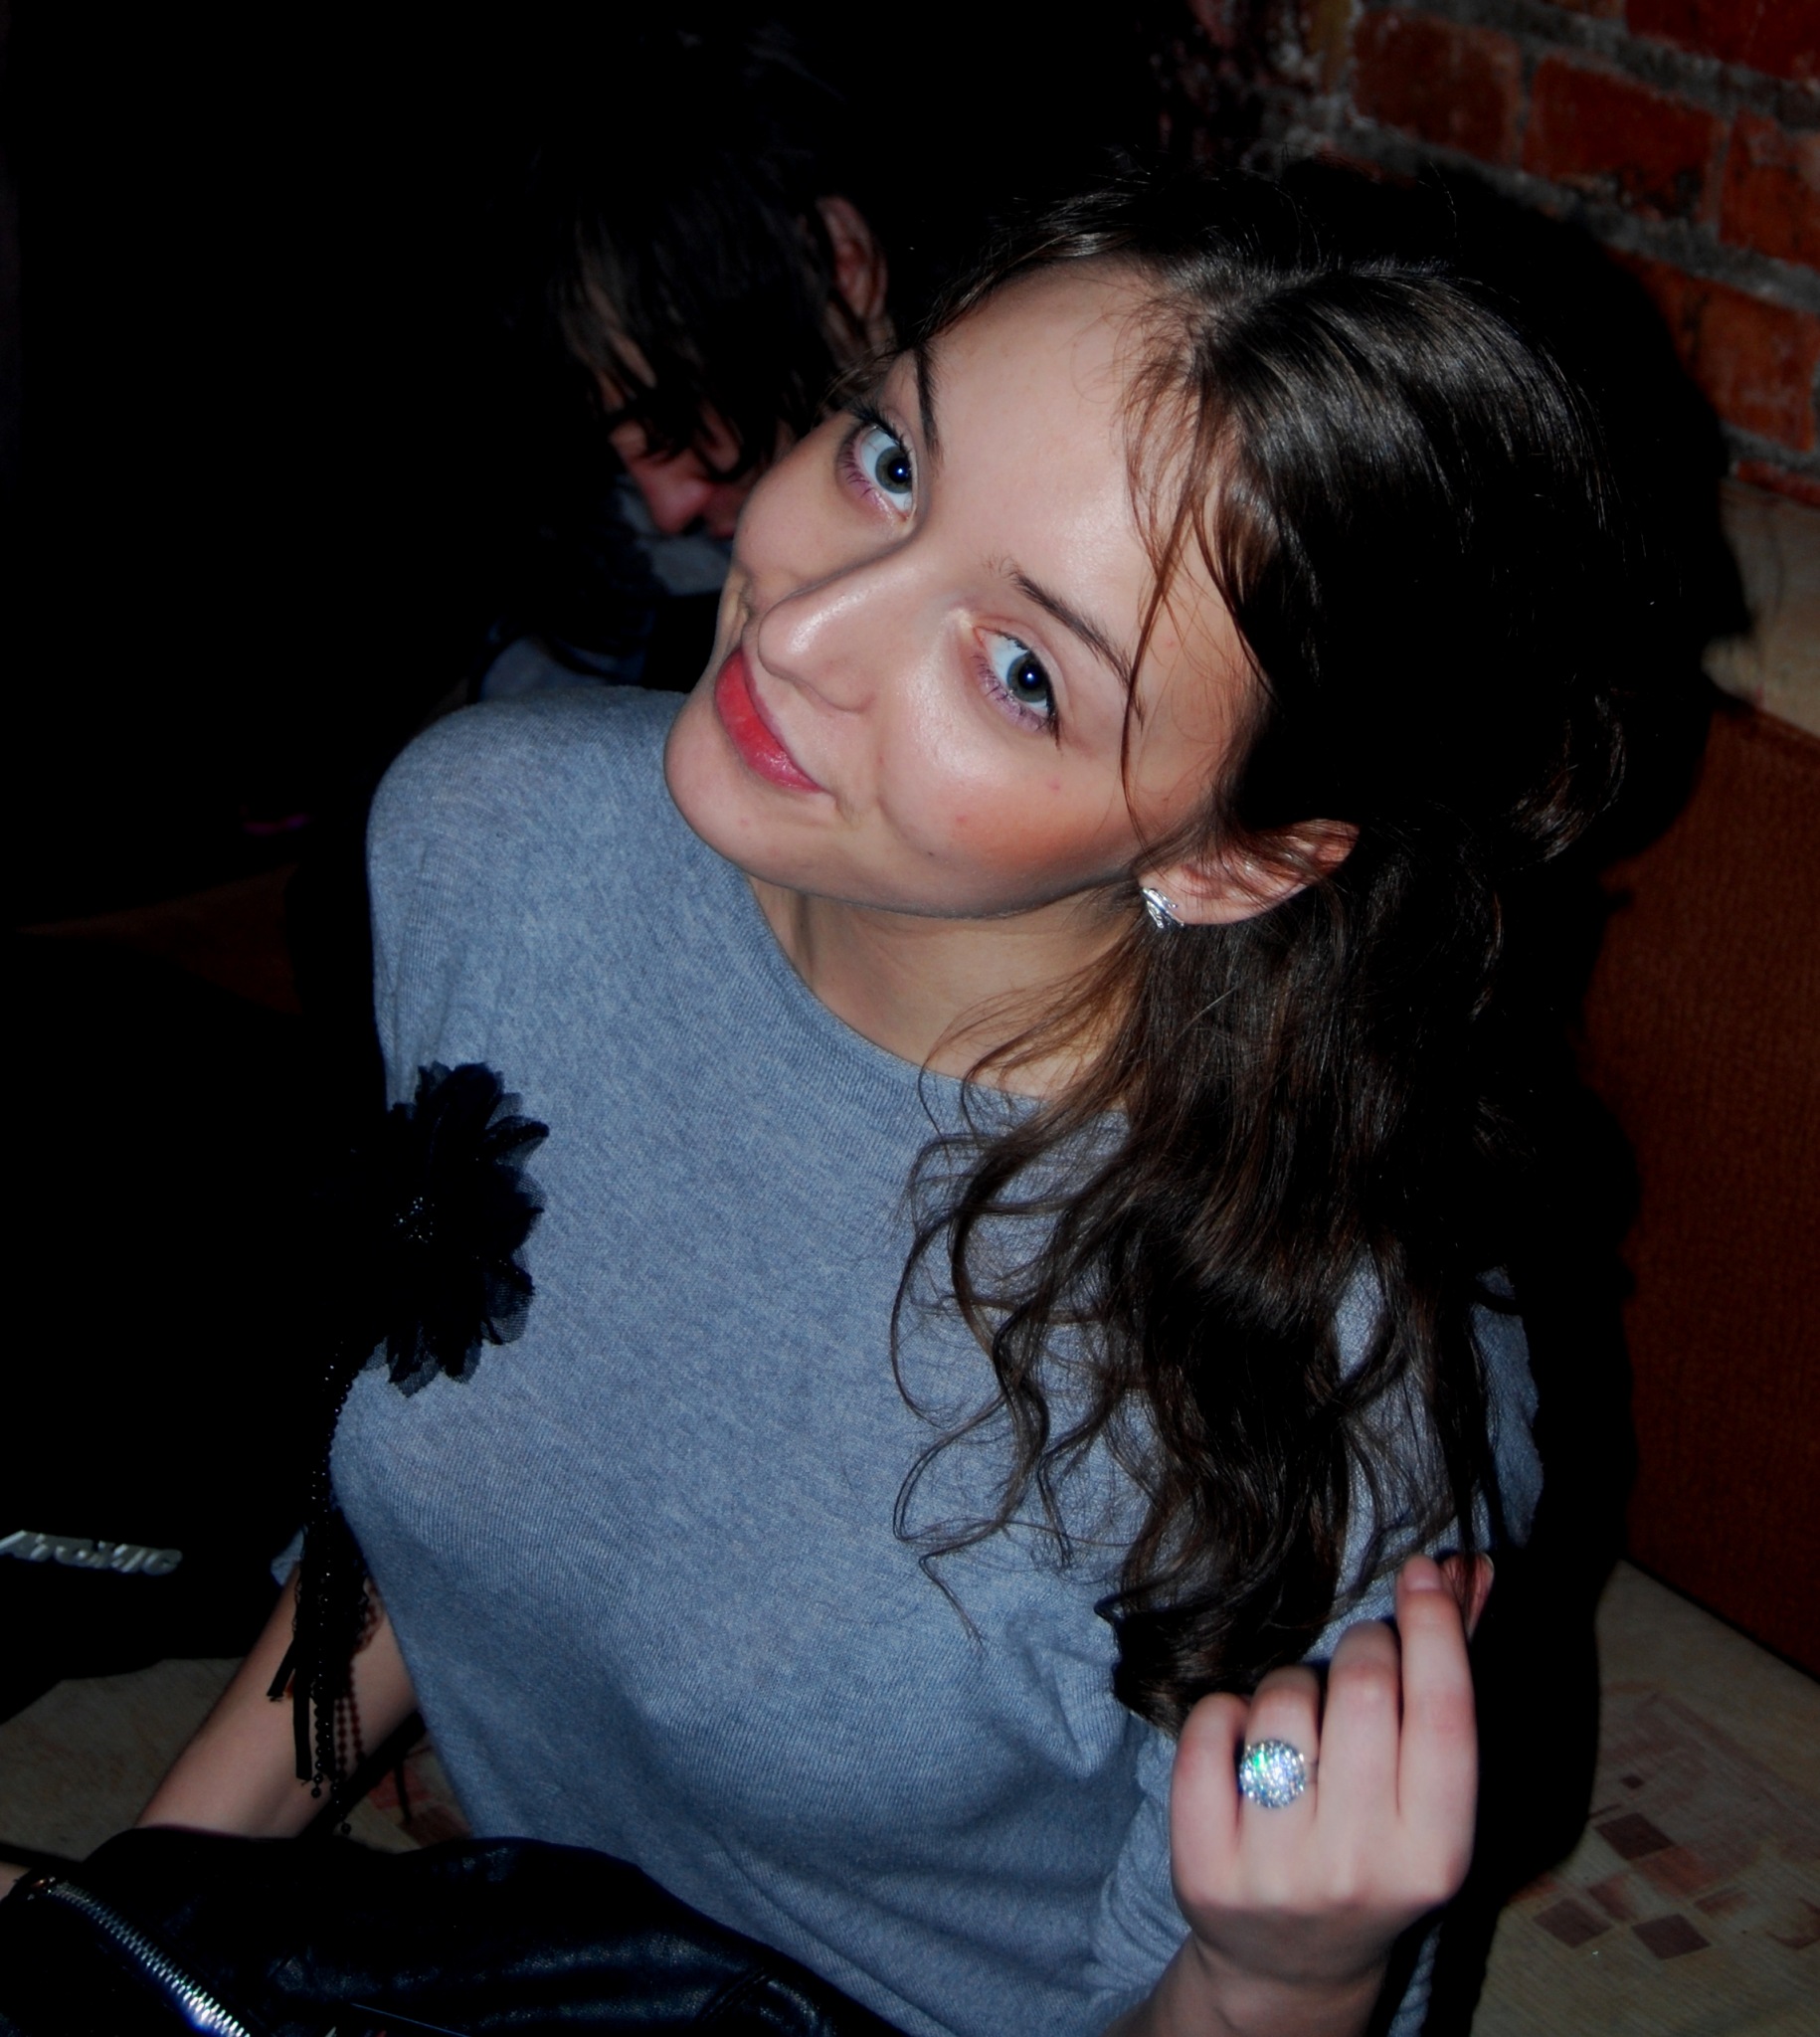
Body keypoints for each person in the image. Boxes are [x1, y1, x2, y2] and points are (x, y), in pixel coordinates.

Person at [140, 170, 1647, 2037]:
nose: (804, 629)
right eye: (888, 463)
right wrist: (144, 1908)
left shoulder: (1307, 1362)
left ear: (1240, 856)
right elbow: (420, 1470)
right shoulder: (487, 840)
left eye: (1020, 673)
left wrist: (1285, 1969)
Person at [478, 16, 893, 702]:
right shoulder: (601, 591)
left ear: (835, 266)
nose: (667, 509)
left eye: (673, 419)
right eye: (618, 441)